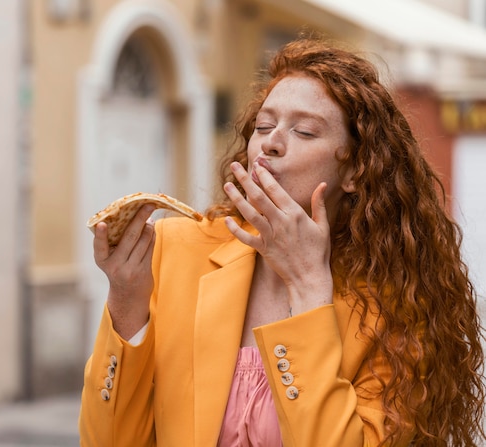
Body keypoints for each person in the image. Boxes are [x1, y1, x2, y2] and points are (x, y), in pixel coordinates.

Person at [78, 35, 486, 446]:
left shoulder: (398, 305)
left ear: (356, 171)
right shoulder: (174, 249)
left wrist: (309, 286)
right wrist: (127, 305)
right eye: (264, 126)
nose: (271, 142)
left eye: (305, 131)